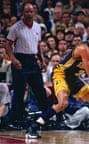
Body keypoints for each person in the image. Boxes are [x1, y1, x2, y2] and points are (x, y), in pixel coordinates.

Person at [34, 23, 89, 138]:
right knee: (63, 103)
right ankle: (34, 125)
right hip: (61, 74)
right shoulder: (83, 49)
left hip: (73, 77)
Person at [5, 2, 50, 138]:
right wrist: (13, 59)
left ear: (34, 12)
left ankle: (46, 118)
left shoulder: (37, 26)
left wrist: (41, 60)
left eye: (32, 11)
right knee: (19, 92)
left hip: (32, 60)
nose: (29, 14)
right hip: (20, 59)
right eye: (27, 12)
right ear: (23, 13)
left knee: (40, 91)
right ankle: (15, 120)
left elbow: (38, 44)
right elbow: (7, 44)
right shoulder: (16, 27)